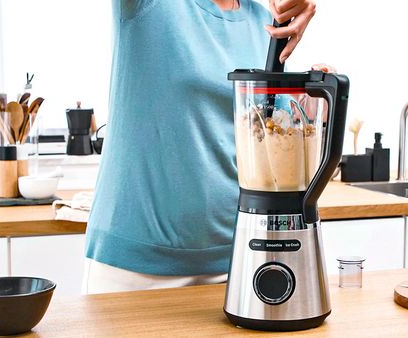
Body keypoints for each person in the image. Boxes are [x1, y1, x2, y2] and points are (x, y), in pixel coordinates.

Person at [82, 0, 316, 294]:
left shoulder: (266, 23)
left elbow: (266, 133)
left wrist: (310, 102)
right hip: (134, 268)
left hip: (237, 261)